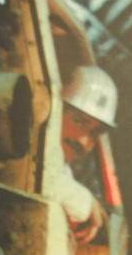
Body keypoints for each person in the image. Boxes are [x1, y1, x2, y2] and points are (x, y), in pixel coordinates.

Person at [49, 65, 117, 244]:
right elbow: (36, 179)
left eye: (95, 132)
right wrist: (87, 202)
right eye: (79, 121)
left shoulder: (64, 170)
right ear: (57, 109)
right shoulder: (23, 142)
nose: (83, 141)